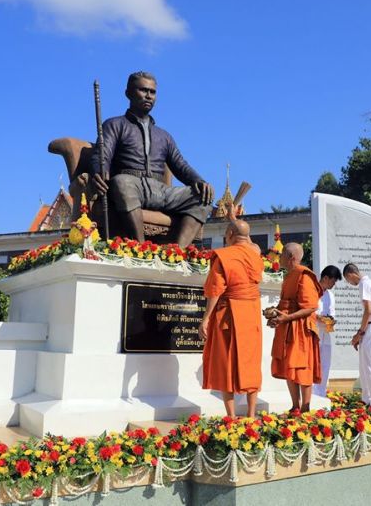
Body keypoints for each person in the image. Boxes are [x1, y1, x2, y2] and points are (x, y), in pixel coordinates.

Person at [90, 71, 214, 247]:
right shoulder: (115, 124)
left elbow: (180, 165)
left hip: (160, 190)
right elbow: (102, 154)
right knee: (121, 182)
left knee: (203, 196)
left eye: (152, 92)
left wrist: (199, 181)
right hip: (131, 184)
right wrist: (99, 172)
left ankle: (177, 251)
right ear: (128, 94)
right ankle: (141, 248)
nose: (148, 95)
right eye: (143, 90)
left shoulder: (164, 136)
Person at [199, 218, 264, 418]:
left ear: (228, 234)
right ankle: (252, 414)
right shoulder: (256, 254)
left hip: (230, 314)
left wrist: (206, 318)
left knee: (226, 361)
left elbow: (215, 289)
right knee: (252, 362)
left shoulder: (224, 256)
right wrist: (234, 220)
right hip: (252, 313)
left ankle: (232, 416)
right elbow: (246, 239)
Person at [267, 243, 323, 413]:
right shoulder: (288, 276)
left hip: (301, 329)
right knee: (288, 366)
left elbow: (311, 306)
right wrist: (275, 317)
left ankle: (305, 407)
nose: (279, 256)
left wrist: (288, 317)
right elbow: (286, 304)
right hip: (287, 327)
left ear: (290, 257)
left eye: (282, 253)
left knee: (301, 367)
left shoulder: (304, 275)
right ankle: (295, 406)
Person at [344, 263, 371, 408]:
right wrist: (360, 333)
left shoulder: (364, 284)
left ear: (350, 275)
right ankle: (366, 399)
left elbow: (368, 311)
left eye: (348, 280)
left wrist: (360, 333)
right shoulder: (367, 284)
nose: (350, 283)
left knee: (369, 365)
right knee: (364, 364)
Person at [313, 265, 342, 397]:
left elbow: (332, 314)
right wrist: (319, 317)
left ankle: (321, 393)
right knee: (314, 363)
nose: (334, 284)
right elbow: (310, 311)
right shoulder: (312, 290)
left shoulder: (330, 295)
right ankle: (311, 393)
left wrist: (330, 321)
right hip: (314, 331)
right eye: (333, 281)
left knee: (325, 364)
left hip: (326, 333)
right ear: (325, 278)